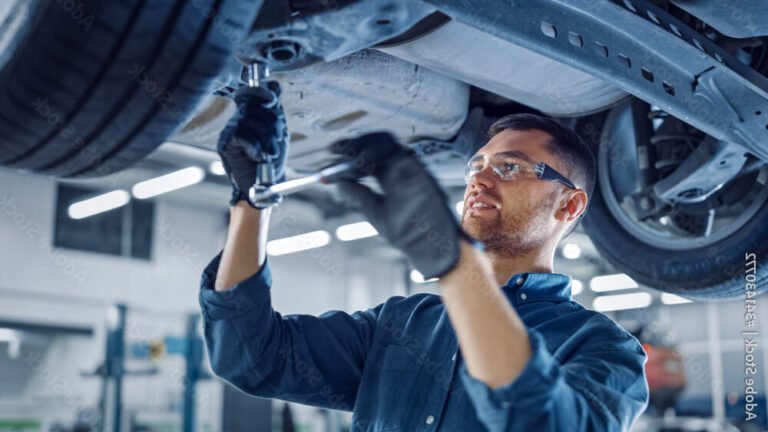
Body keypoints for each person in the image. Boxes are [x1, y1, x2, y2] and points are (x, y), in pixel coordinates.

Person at [199, 83, 649, 431]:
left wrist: (456, 266)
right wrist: (250, 202)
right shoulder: (400, 324)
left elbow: (545, 423)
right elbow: (251, 356)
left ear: (569, 205)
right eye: (476, 167)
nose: (479, 181)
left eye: (509, 167)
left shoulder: (605, 349)